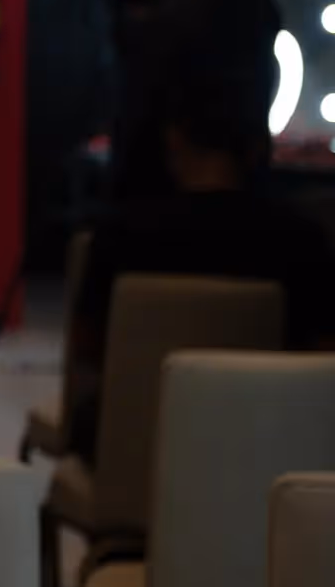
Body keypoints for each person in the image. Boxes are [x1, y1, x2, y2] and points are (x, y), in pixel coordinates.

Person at [67, 66, 335, 459]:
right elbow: (323, 354)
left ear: (174, 136)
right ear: (255, 143)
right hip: (266, 445)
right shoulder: (299, 239)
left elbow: (86, 349)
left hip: (134, 443)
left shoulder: (121, 235)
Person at [109, 0, 281, 200]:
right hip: (245, 185)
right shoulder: (256, 6)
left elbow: (139, 115)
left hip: (167, 196)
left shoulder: (160, 16)